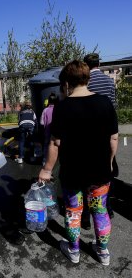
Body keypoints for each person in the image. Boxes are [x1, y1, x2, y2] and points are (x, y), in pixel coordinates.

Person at [38, 60, 118, 265]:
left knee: (74, 211)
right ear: (87, 78)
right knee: (99, 210)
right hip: (100, 170)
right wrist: (109, 162)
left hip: (73, 172)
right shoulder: (105, 103)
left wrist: (47, 169)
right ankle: (103, 252)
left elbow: (55, 143)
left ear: (66, 83)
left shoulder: (62, 108)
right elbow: (113, 138)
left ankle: (73, 250)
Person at [83, 53, 117, 223]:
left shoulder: (86, 82)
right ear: (99, 63)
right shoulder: (109, 82)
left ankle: (86, 216)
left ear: (86, 65)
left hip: (87, 133)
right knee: (106, 173)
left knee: (86, 175)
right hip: (106, 133)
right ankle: (107, 208)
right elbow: (114, 107)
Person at [40, 93, 58, 165]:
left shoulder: (45, 110)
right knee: (55, 146)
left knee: (46, 145)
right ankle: (54, 161)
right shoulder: (58, 109)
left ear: (49, 101)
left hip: (47, 131)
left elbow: (41, 122)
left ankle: (44, 160)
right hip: (56, 132)